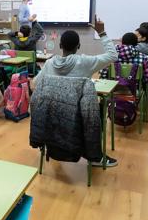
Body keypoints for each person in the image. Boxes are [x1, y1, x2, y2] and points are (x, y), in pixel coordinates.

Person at [34, 17, 118, 166]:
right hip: (78, 116)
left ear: (60, 45)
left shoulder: (49, 63)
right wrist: (102, 33)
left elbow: (35, 84)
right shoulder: (85, 62)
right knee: (98, 110)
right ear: (78, 46)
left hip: (51, 114)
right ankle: (94, 155)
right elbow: (113, 55)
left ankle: (53, 146)